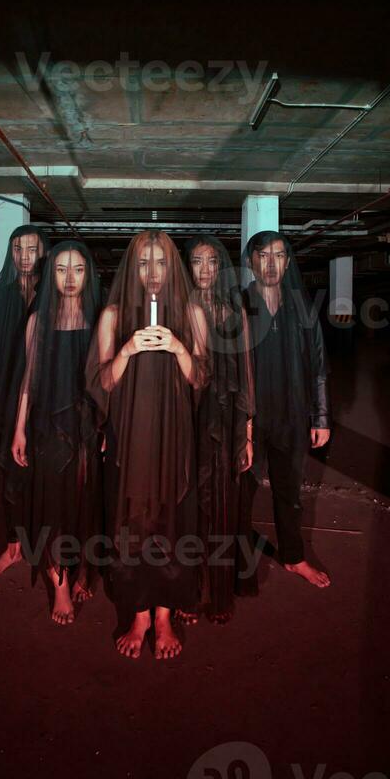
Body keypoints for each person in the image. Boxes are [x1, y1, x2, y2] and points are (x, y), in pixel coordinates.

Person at [87, 230, 210, 660]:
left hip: (175, 436)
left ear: (172, 266)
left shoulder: (191, 311)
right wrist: (126, 350)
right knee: (131, 522)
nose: (153, 272)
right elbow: (101, 382)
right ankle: (138, 613)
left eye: (160, 262)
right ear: (132, 269)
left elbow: (200, 378)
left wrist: (177, 347)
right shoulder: (114, 315)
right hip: (131, 435)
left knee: (172, 519)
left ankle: (164, 614)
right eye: (144, 263)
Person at [11, 241, 101, 624]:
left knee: (85, 501)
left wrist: (107, 428)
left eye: (77, 269)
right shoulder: (38, 321)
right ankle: (59, 581)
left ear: (88, 275)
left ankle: (81, 567)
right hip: (48, 426)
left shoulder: (99, 319)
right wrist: (19, 430)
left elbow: (108, 382)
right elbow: (28, 381)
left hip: (87, 429)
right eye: (61, 269)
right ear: (51, 274)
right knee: (53, 506)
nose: (69, 277)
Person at [242, 230, 331, 588]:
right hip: (251, 419)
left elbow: (319, 366)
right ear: (251, 263)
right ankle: (232, 561)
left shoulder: (303, 306)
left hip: (293, 417)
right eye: (263, 255)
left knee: (289, 493)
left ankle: (293, 557)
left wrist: (321, 417)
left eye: (278, 255)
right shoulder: (240, 304)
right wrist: (238, 423)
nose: (271, 263)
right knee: (240, 492)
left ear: (288, 262)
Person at [178, 235, 255, 625]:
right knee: (191, 505)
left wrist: (248, 434)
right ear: (188, 266)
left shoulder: (236, 309)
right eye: (197, 261)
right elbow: (190, 369)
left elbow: (246, 374)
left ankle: (219, 593)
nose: (205, 269)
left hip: (226, 421)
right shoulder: (184, 306)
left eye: (211, 261)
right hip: (192, 414)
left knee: (223, 504)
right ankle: (192, 590)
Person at [0, 223, 48, 579]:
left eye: (32, 249)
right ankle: (14, 547)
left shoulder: (58, 294)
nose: (25, 256)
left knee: (50, 478)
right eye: (18, 249)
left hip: (47, 402)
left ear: (44, 252)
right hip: (3, 400)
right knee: (11, 477)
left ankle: (53, 553)